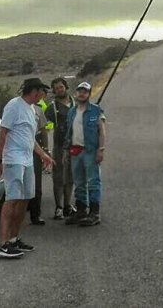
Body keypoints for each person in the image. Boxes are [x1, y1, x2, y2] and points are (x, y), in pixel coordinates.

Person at [0, 78, 55, 259]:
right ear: (34, 91)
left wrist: (43, 155)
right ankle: (3, 244)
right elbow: (2, 133)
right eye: (42, 91)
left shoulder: (32, 109)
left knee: (26, 197)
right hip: (14, 160)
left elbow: (30, 138)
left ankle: (14, 239)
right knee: (12, 199)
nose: (43, 95)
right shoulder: (14, 106)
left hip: (27, 160)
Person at [64, 81, 106, 226]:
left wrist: (101, 149)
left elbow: (102, 131)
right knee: (79, 183)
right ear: (76, 93)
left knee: (93, 182)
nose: (82, 94)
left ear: (89, 94)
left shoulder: (96, 110)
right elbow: (69, 133)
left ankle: (94, 213)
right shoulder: (72, 112)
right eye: (80, 91)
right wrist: (66, 151)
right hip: (75, 151)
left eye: (85, 91)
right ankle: (81, 210)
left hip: (90, 151)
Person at [44, 77, 75, 220]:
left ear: (66, 87)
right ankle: (59, 208)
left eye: (61, 87)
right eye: (56, 89)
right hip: (59, 146)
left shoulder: (76, 103)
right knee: (58, 178)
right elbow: (43, 126)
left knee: (70, 177)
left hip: (75, 146)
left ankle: (68, 205)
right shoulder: (52, 108)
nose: (59, 90)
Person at [27, 98, 49, 226]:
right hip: (21, 148)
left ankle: (36, 214)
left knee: (36, 184)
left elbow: (43, 131)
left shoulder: (38, 110)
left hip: (36, 148)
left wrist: (45, 150)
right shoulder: (17, 109)